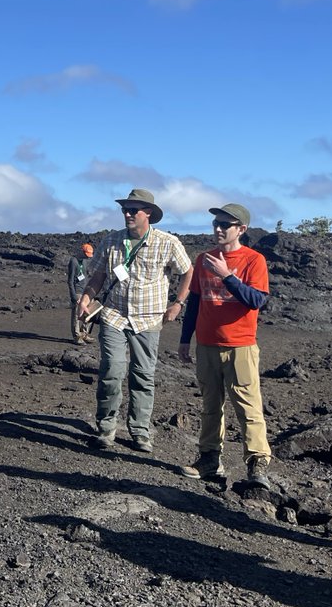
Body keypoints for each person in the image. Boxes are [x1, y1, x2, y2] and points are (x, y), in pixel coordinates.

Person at [77, 188, 193, 453]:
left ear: (148, 214)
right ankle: (106, 428)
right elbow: (99, 276)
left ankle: (140, 431)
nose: (127, 214)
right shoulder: (111, 241)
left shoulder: (168, 243)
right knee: (112, 370)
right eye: (124, 210)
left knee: (143, 375)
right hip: (114, 315)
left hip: (149, 319)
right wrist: (86, 298)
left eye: (133, 210)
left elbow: (188, 272)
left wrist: (178, 303)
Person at [177, 203, 273, 485]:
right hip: (207, 345)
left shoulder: (254, 260)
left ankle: (257, 465)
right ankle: (209, 460)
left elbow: (256, 300)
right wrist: (185, 339)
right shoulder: (203, 258)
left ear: (241, 229)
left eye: (225, 225)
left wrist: (227, 276)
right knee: (210, 405)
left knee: (248, 407)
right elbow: (194, 301)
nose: (218, 229)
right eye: (215, 224)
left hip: (240, 346)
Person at [67, 243, 95, 344]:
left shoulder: (85, 261)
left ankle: (85, 334)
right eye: (86, 255)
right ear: (82, 252)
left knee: (90, 312)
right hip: (78, 291)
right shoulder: (73, 261)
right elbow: (70, 280)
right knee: (76, 314)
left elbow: (86, 275)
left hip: (86, 290)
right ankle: (77, 336)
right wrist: (74, 296)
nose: (87, 257)